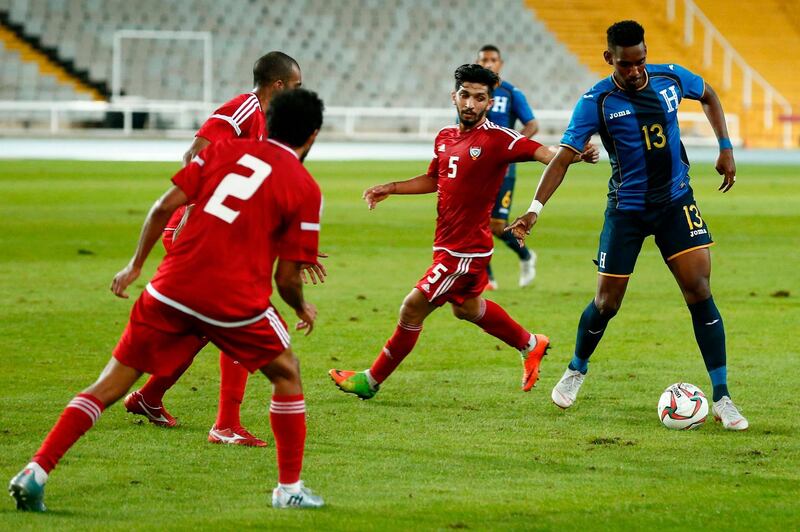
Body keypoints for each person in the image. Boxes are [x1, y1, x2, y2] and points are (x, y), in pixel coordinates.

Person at [9, 88, 327, 512]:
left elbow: (163, 206)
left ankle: (36, 470)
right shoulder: (304, 186)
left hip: (169, 286)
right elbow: (286, 277)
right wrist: (300, 305)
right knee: (287, 372)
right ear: (312, 135)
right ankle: (288, 489)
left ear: (267, 123)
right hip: (233, 301)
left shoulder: (224, 152)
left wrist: (135, 265)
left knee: (108, 385)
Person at [507, 20, 748, 430]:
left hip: (676, 202)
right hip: (627, 210)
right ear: (609, 59)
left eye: (640, 62)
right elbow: (564, 157)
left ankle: (723, 397)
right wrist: (534, 209)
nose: (635, 72)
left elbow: (708, 95)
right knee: (606, 303)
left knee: (700, 290)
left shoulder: (670, 78)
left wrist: (725, 146)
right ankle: (576, 370)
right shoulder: (596, 102)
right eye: (625, 65)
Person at [329, 64, 597, 400]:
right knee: (467, 308)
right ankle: (531, 343)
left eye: (479, 98)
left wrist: (574, 155)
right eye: (466, 95)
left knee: (412, 308)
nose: (471, 103)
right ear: (454, 96)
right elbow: (434, 178)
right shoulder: (444, 137)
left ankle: (371, 380)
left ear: (489, 103)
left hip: (463, 252)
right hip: (452, 245)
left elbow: (546, 155)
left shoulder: (498, 139)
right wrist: (391, 188)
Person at [123, 51, 314, 448]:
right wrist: (196, 216)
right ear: (279, 85)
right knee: (244, 314)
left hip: (216, 230)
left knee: (205, 327)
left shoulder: (264, 121)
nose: (297, 93)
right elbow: (195, 154)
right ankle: (225, 423)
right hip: (197, 228)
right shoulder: (241, 108)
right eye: (295, 86)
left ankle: (150, 396)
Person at [476, 44, 540, 290]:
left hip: (503, 169)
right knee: (477, 222)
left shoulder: (511, 93)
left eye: (492, 60)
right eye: (484, 60)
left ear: (500, 64)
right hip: (476, 167)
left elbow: (532, 125)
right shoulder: (472, 95)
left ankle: (526, 256)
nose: (488, 64)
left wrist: (512, 148)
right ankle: (488, 279)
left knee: (496, 226)